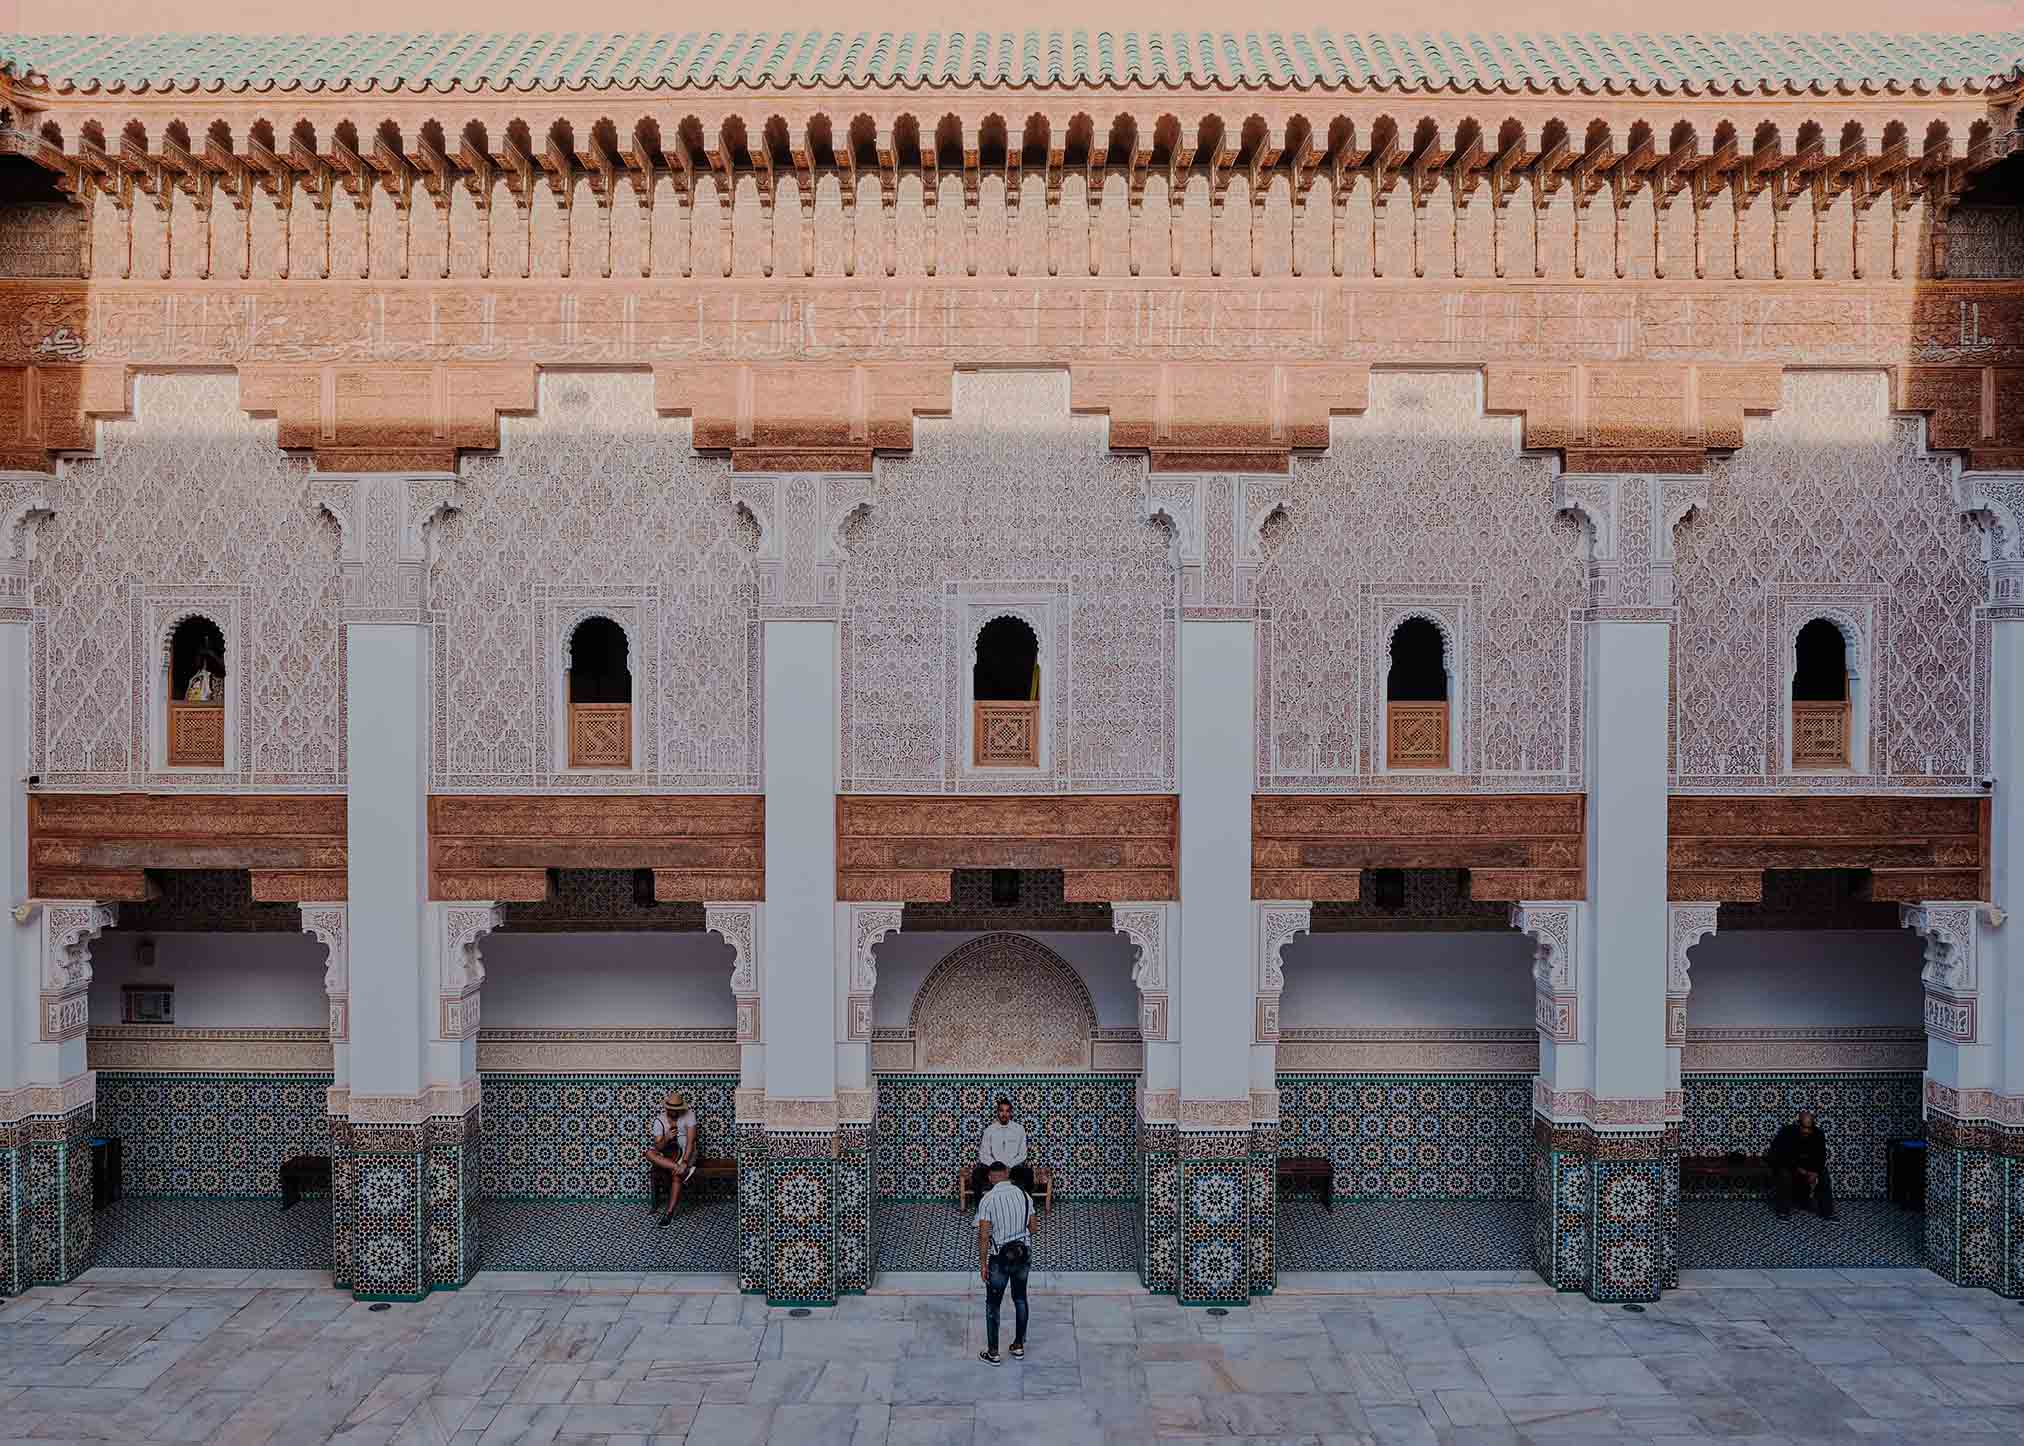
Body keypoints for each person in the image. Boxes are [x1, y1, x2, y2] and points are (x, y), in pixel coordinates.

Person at [975, 1159, 1035, 1365]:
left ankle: (993, 1352)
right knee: (1020, 1298)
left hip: (999, 1259)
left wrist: (983, 1264)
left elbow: (983, 1235)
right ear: (1007, 1174)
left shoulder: (988, 1199)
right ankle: (1018, 1346)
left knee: (993, 1304)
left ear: (991, 1177)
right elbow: (1034, 1227)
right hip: (1023, 1255)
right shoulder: (1024, 1195)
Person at [1767, 1109, 1836, 1221]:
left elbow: (1821, 1156)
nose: (1806, 1131)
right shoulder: (1787, 1132)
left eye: (1809, 1128)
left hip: (1809, 1167)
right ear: (1798, 1124)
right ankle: (1783, 1211)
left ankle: (1827, 1212)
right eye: (1803, 1127)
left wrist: (1815, 1171)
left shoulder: (1818, 1134)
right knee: (1784, 1174)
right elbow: (1779, 1156)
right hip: (1788, 1165)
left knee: (1824, 1174)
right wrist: (1800, 1170)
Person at [645, 1090, 697, 1225]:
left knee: (677, 1176)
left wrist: (685, 1162)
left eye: (677, 1110)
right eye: (671, 1109)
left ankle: (669, 1214)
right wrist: (666, 1137)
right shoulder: (659, 1121)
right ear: (667, 1108)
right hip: (668, 1155)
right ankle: (678, 1167)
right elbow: (658, 1148)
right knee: (649, 1153)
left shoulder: (689, 1116)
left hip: (686, 1152)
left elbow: (691, 1142)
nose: (674, 1113)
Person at [972, 1097, 1034, 1202]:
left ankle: (1026, 1207)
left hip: (1012, 1168)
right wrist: (996, 1168)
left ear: (1011, 1113)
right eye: (1001, 1111)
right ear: (997, 1112)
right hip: (993, 1168)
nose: (1004, 1114)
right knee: (977, 1174)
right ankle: (980, 1208)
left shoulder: (1019, 1129)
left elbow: (1022, 1154)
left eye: (1007, 1111)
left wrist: (1008, 1166)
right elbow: (983, 1154)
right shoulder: (989, 1130)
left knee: (1028, 1173)